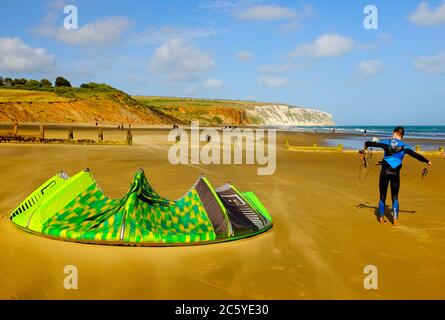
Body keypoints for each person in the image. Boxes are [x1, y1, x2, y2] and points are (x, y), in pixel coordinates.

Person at [361, 126, 432, 226]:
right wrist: (427, 161)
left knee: (382, 196)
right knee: (395, 197)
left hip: (384, 172)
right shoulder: (405, 146)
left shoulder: (387, 142)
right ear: (402, 135)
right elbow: (416, 155)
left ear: (394, 133)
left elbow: (370, 143)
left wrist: (364, 148)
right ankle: (395, 221)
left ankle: (381, 218)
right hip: (395, 174)